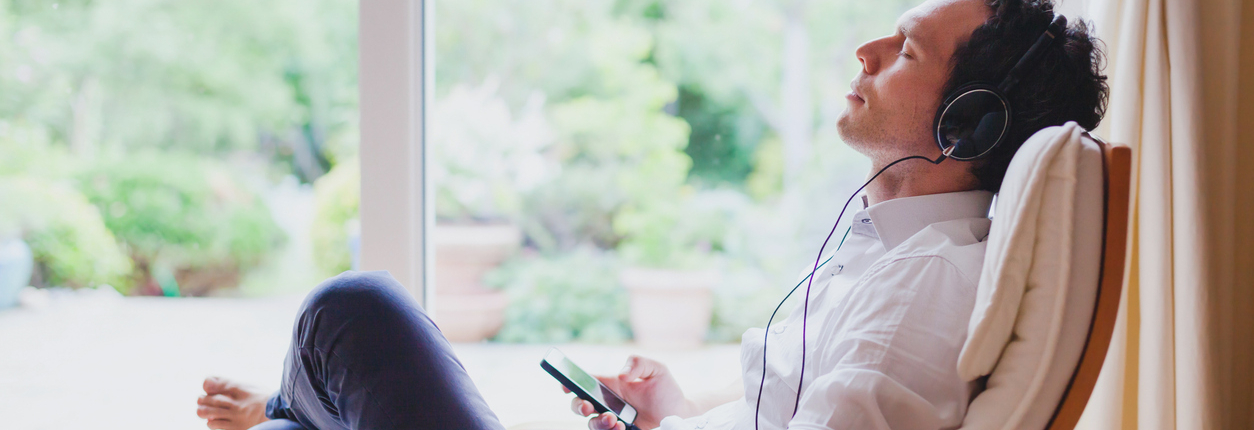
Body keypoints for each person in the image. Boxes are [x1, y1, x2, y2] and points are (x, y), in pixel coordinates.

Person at [194, 0, 1108, 429]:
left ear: (969, 123)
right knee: (348, 329)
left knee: (350, 311)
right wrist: (670, 414)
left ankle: (289, 415)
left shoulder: (922, 287)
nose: (865, 49)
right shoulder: (885, 256)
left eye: (906, 50)